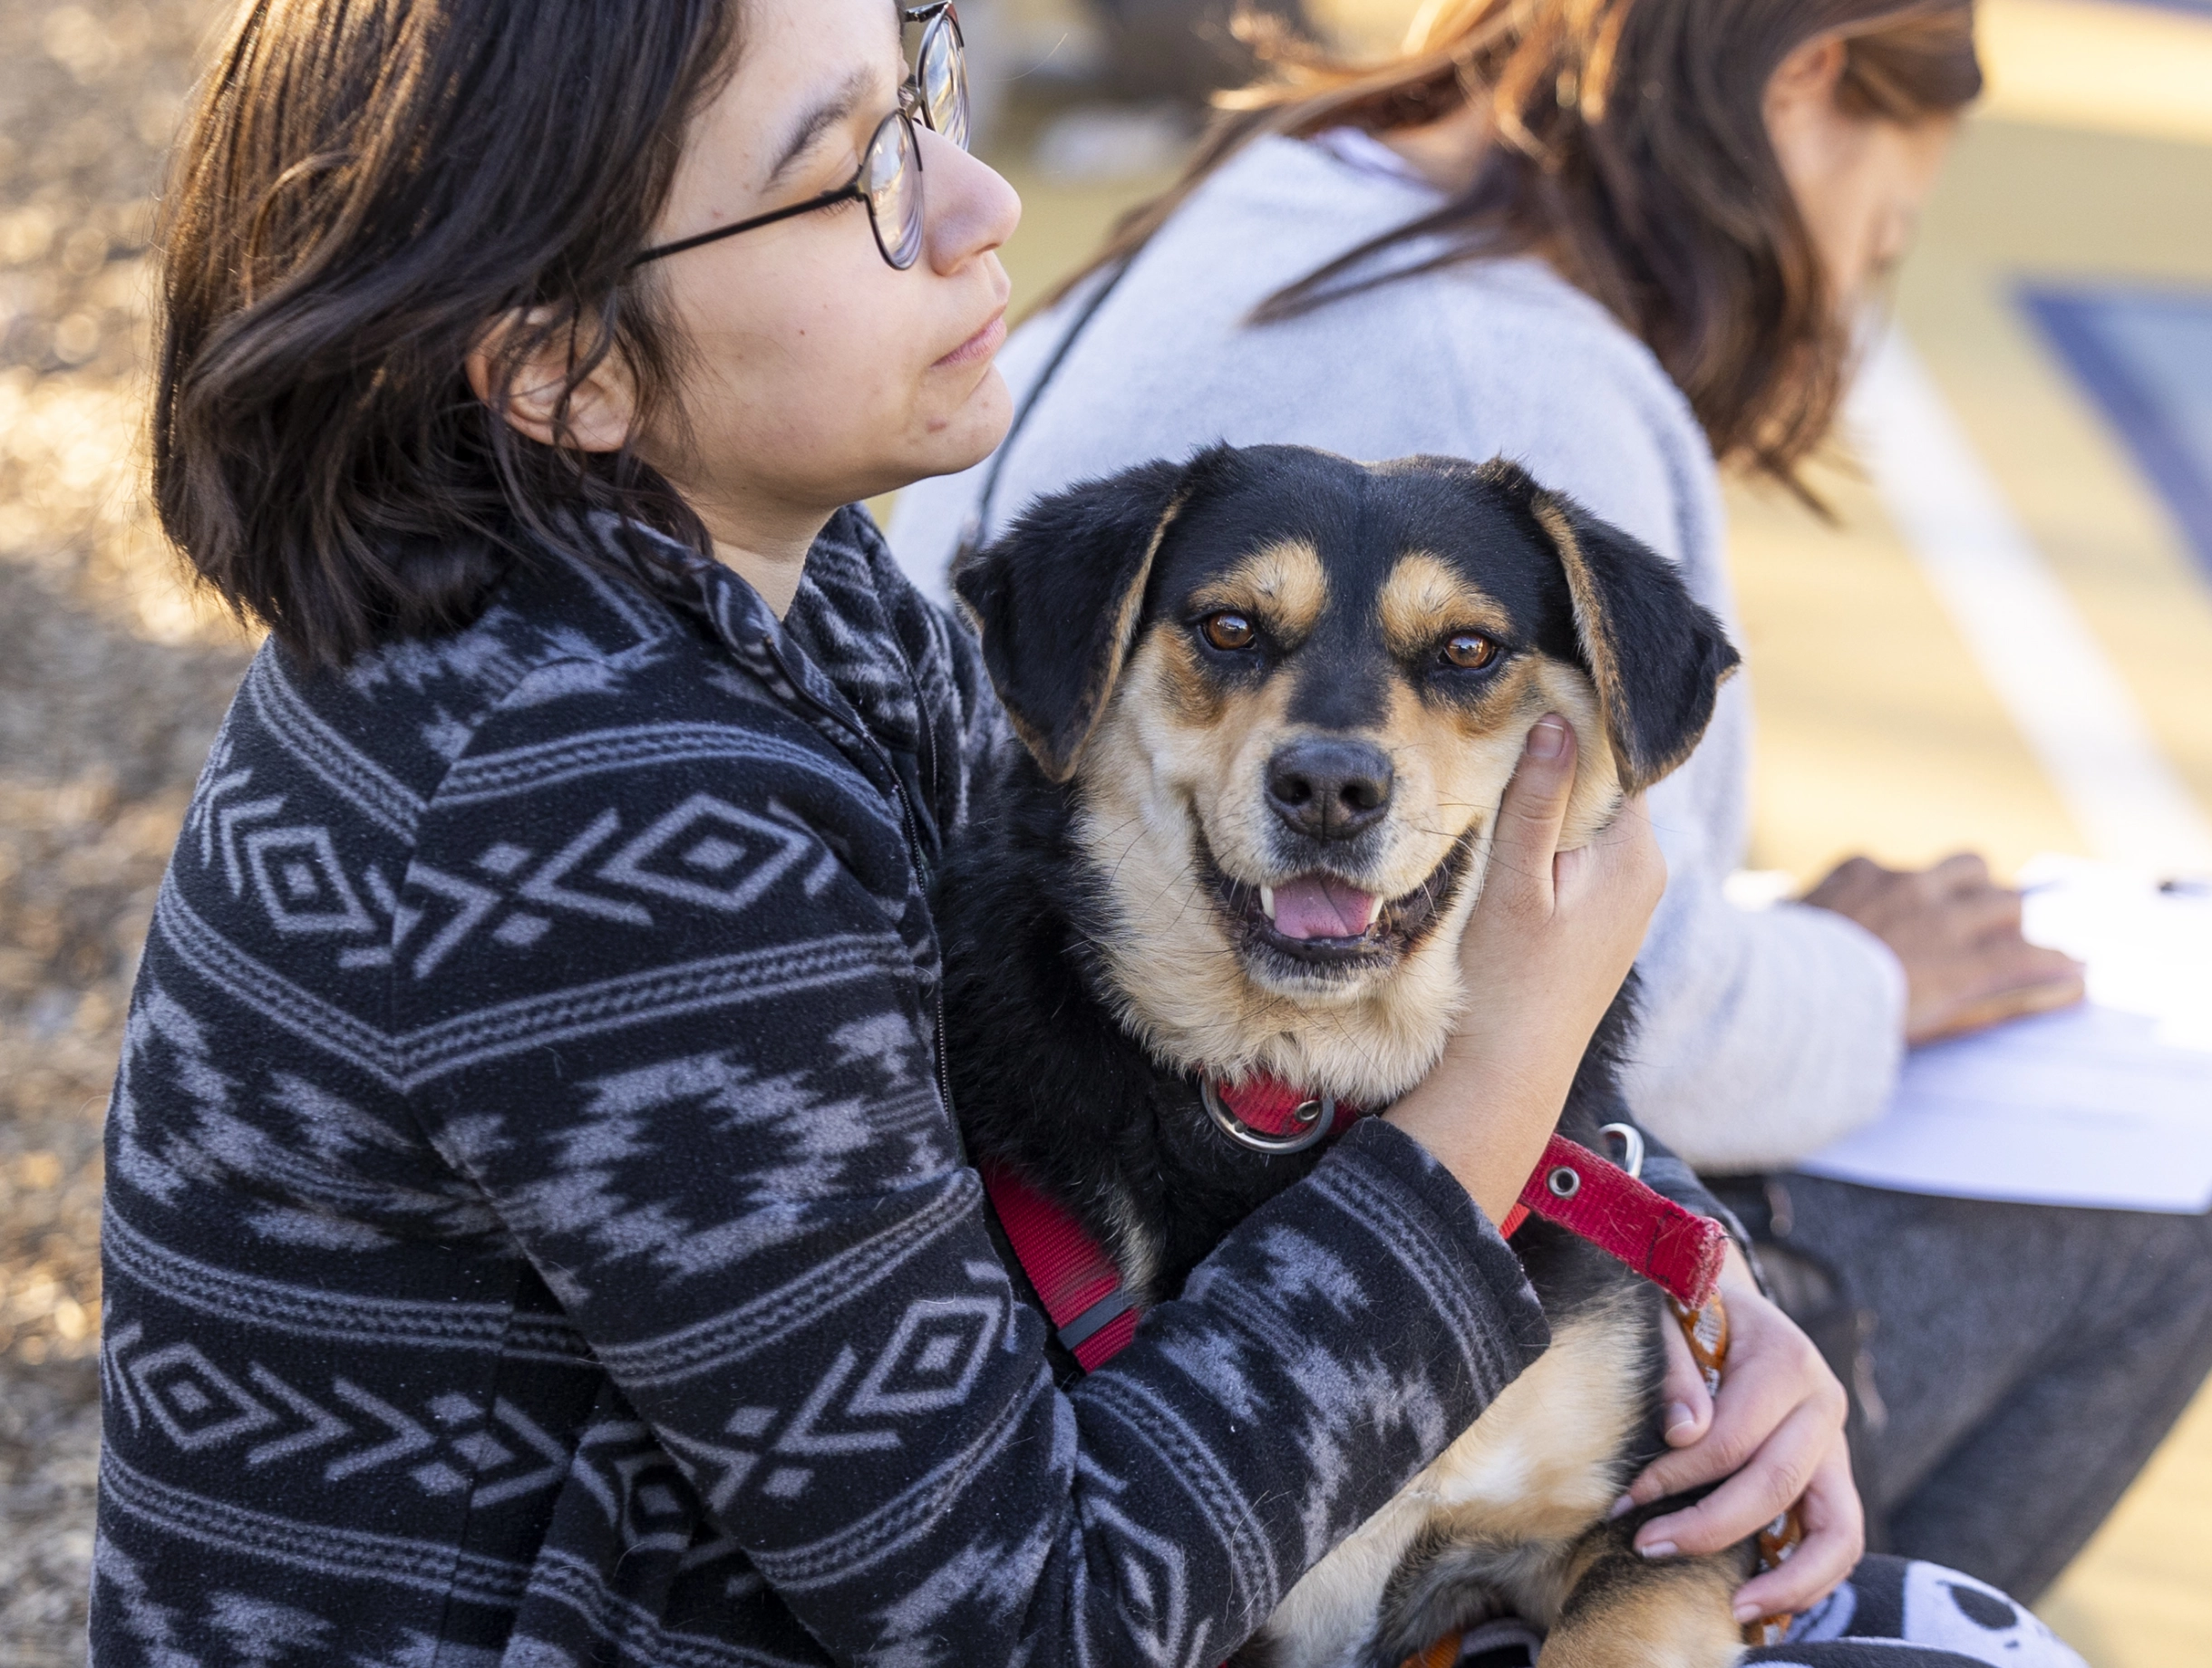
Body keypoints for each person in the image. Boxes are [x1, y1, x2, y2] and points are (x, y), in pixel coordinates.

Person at [92, 0, 2077, 1663]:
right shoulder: (574, 805)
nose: (979, 202)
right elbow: (1028, 1614)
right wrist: (1492, 1102)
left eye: (929, 88)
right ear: (562, 366)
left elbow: (1172, 1056)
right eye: (859, 170)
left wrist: (1669, 1279)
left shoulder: (780, 607)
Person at [890, 0, 2212, 1606]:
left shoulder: (1289, 184)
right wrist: (1878, 984)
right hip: (1222, 1141)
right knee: (2162, 1199)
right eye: (1884, 234)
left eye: (1460, 661)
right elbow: (1671, 1021)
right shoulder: (1505, 355)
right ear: (1803, 89)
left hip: (1167, 1079)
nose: (1852, 286)